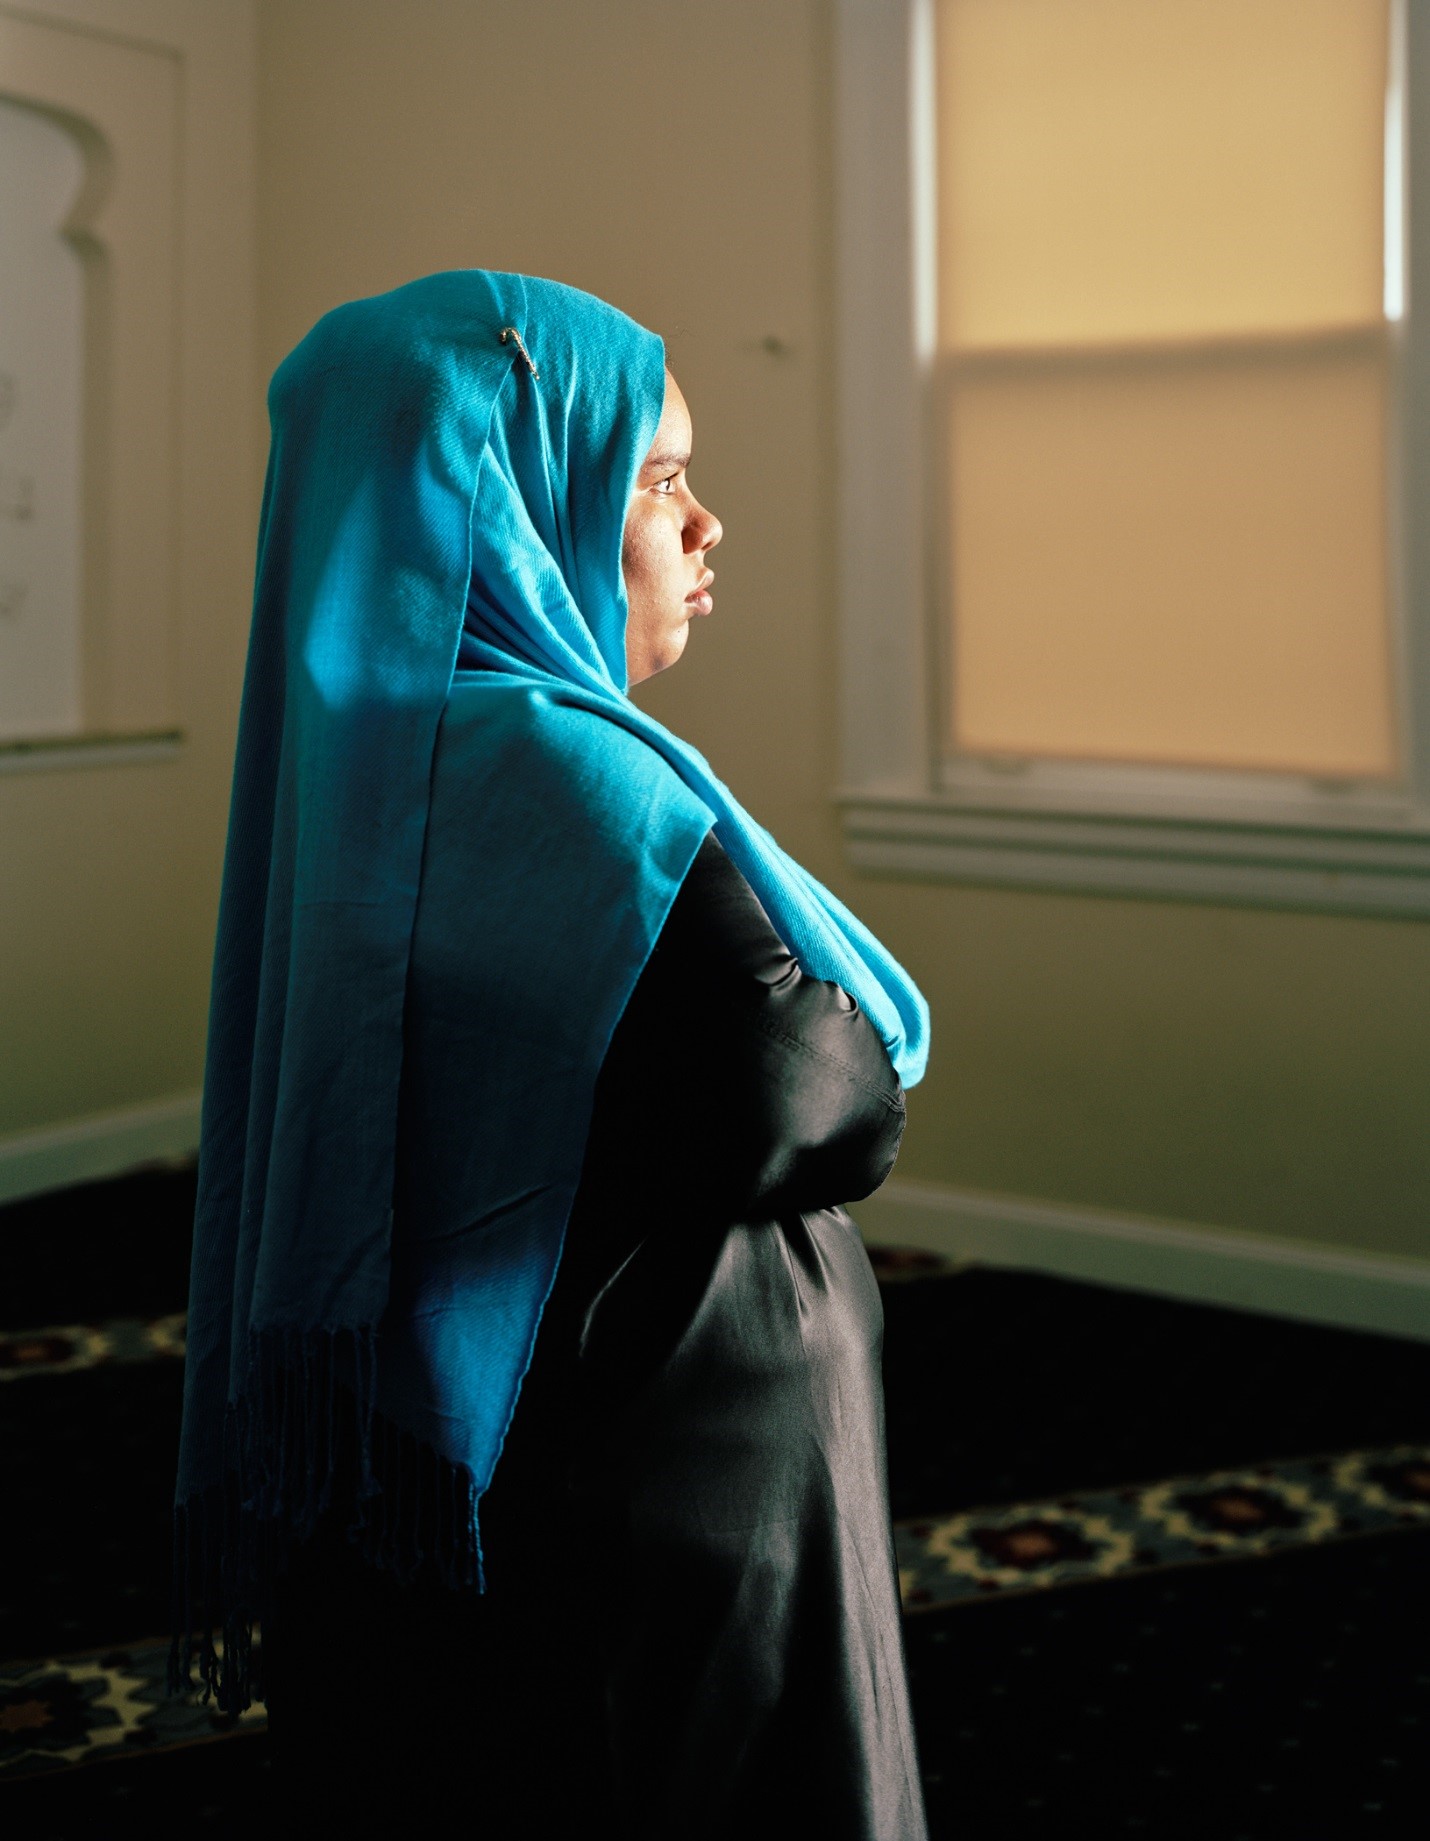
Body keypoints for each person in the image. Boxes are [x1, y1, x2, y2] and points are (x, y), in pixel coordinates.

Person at [172, 271, 931, 1839]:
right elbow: (812, 1101)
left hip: (477, 1439)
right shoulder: (552, 762)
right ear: (515, 498)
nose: (704, 524)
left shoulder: (364, 741)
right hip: (662, 1449)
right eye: (655, 480)